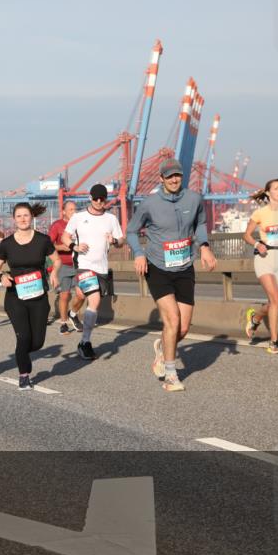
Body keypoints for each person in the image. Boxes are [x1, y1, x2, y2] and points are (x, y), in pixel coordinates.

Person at [127, 158, 217, 392]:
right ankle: (171, 375)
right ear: (161, 179)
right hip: (157, 267)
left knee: (183, 328)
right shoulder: (149, 204)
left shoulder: (194, 199)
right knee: (172, 320)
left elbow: (200, 223)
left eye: (177, 175)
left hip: (185, 266)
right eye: (169, 176)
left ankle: (162, 352)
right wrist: (138, 253)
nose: (174, 179)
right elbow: (131, 231)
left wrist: (204, 246)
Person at [0, 203, 61, 390]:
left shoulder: (43, 240)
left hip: (38, 296)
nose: (23, 219)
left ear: (32, 217)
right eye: (19, 216)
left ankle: (21, 353)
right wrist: (1, 275)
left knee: (37, 342)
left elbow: (57, 259)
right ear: (14, 219)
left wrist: (54, 273)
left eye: (26, 215)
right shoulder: (7, 244)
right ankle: (24, 375)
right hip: (15, 297)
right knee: (23, 338)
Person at [62, 185, 124, 360]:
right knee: (94, 299)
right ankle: (85, 343)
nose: (99, 202)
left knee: (83, 297)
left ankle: (72, 314)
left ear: (106, 199)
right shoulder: (78, 217)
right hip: (84, 265)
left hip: (102, 268)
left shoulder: (111, 219)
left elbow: (121, 239)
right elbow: (65, 237)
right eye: (96, 198)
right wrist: (74, 246)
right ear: (90, 197)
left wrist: (115, 241)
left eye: (102, 199)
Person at [242, 178, 278, 354]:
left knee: (275, 301)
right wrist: (256, 245)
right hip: (265, 256)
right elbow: (246, 235)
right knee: (275, 298)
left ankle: (256, 317)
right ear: (268, 193)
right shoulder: (260, 213)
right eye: (276, 188)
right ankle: (274, 343)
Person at [48, 201, 78, 334]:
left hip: (79, 264)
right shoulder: (57, 225)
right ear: (64, 211)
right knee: (65, 295)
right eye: (70, 209)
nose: (74, 211)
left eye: (75, 209)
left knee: (81, 293)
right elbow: (48, 244)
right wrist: (62, 247)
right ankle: (64, 322)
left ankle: (73, 313)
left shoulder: (80, 224)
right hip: (64, 264)